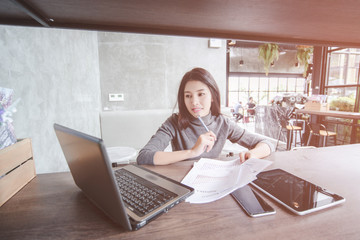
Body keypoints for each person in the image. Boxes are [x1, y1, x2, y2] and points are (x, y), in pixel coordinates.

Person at [136, 68, 274, 165]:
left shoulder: (223, 123)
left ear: (212, 96)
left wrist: (253, 154)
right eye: (188, 96)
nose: (194, 102)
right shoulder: (174, 122)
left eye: (201, 94)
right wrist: (192, 152)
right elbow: (144, 156)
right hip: (183, 185)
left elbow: (267, 144)